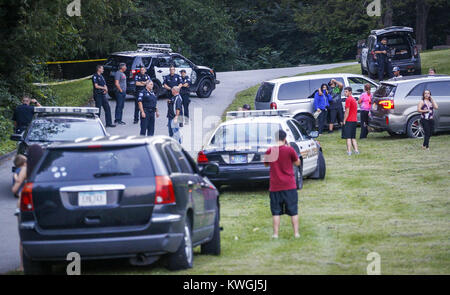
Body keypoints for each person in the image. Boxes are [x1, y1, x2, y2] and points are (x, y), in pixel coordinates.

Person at [12, 144, 43, 273]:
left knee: (25, 234)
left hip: (26, 202)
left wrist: (16, 185)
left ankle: (23, 265)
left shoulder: (26, 169)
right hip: (42, 201)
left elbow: (15, 189)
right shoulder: (45, 167)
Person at [264, 130, 301, 239]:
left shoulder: (271, 150)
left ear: (275, 139)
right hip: (289, 185)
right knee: (293, 210)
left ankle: (275, 234)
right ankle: (296, 233)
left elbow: (266, 164)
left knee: (276, 212)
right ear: (285, 139)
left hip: (275, 186)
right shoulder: (289, 150)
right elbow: (297, 162)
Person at [342, 87, 359, 155]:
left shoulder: (348, 99)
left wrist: (344, 120)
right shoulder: (353, 99)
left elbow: (347, 111)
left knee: (348, 137)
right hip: (354, 120)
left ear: (350, 92)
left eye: (346, 91)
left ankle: (349, 151)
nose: (345, 93)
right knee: (353, 137)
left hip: (349, 120)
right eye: (344, 91)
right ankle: (356, 150)